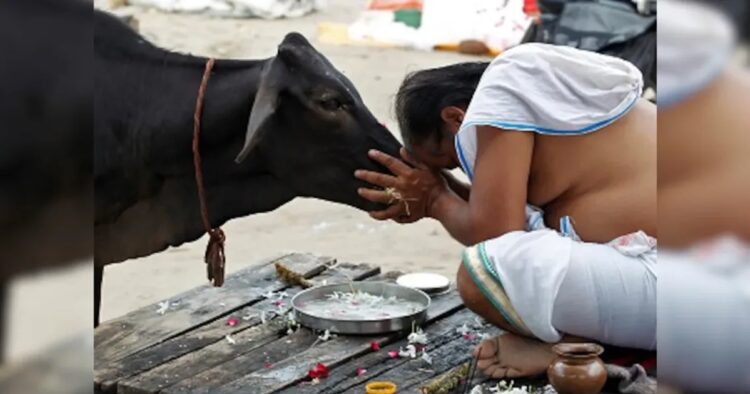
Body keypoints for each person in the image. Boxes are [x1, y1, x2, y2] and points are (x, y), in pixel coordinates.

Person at [355, 43, 657, 378]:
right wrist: (438, 190)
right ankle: (584, 340)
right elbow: (504, 217)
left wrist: (435, 200)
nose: (469, 170)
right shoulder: (547, 114)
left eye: (453, 163)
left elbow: (497, 238)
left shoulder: (505, 83)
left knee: (479, 273)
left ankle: (571, 347)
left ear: (456, 118)